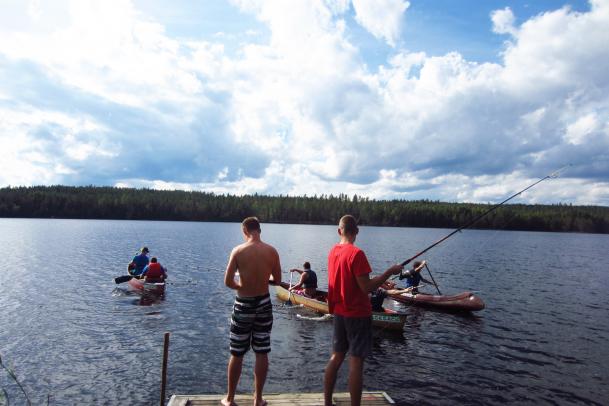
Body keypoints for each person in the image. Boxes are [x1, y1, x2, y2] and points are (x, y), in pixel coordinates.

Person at [324, 215, 403, 406]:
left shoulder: (333, 251)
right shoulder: (357, 254)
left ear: (339, 230)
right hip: (357, 314)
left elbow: (354, 281)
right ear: (357, 231)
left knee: (336, 357)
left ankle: (327, 402)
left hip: (339, 312)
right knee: (356, 362)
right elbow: (366, 288)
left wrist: (381, 280)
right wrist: (388, 272)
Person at [222, 217, 282, 406]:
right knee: (261, 351)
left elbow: (228, 281)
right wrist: (265, 280)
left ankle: (230, 399)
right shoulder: (272, 251)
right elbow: (278, 281)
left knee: (237, 352)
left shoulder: (238, 251)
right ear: (259, 230)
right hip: (263, 304)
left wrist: (241, 284)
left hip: (243, 305)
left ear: (244, 230)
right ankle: (258, 399)